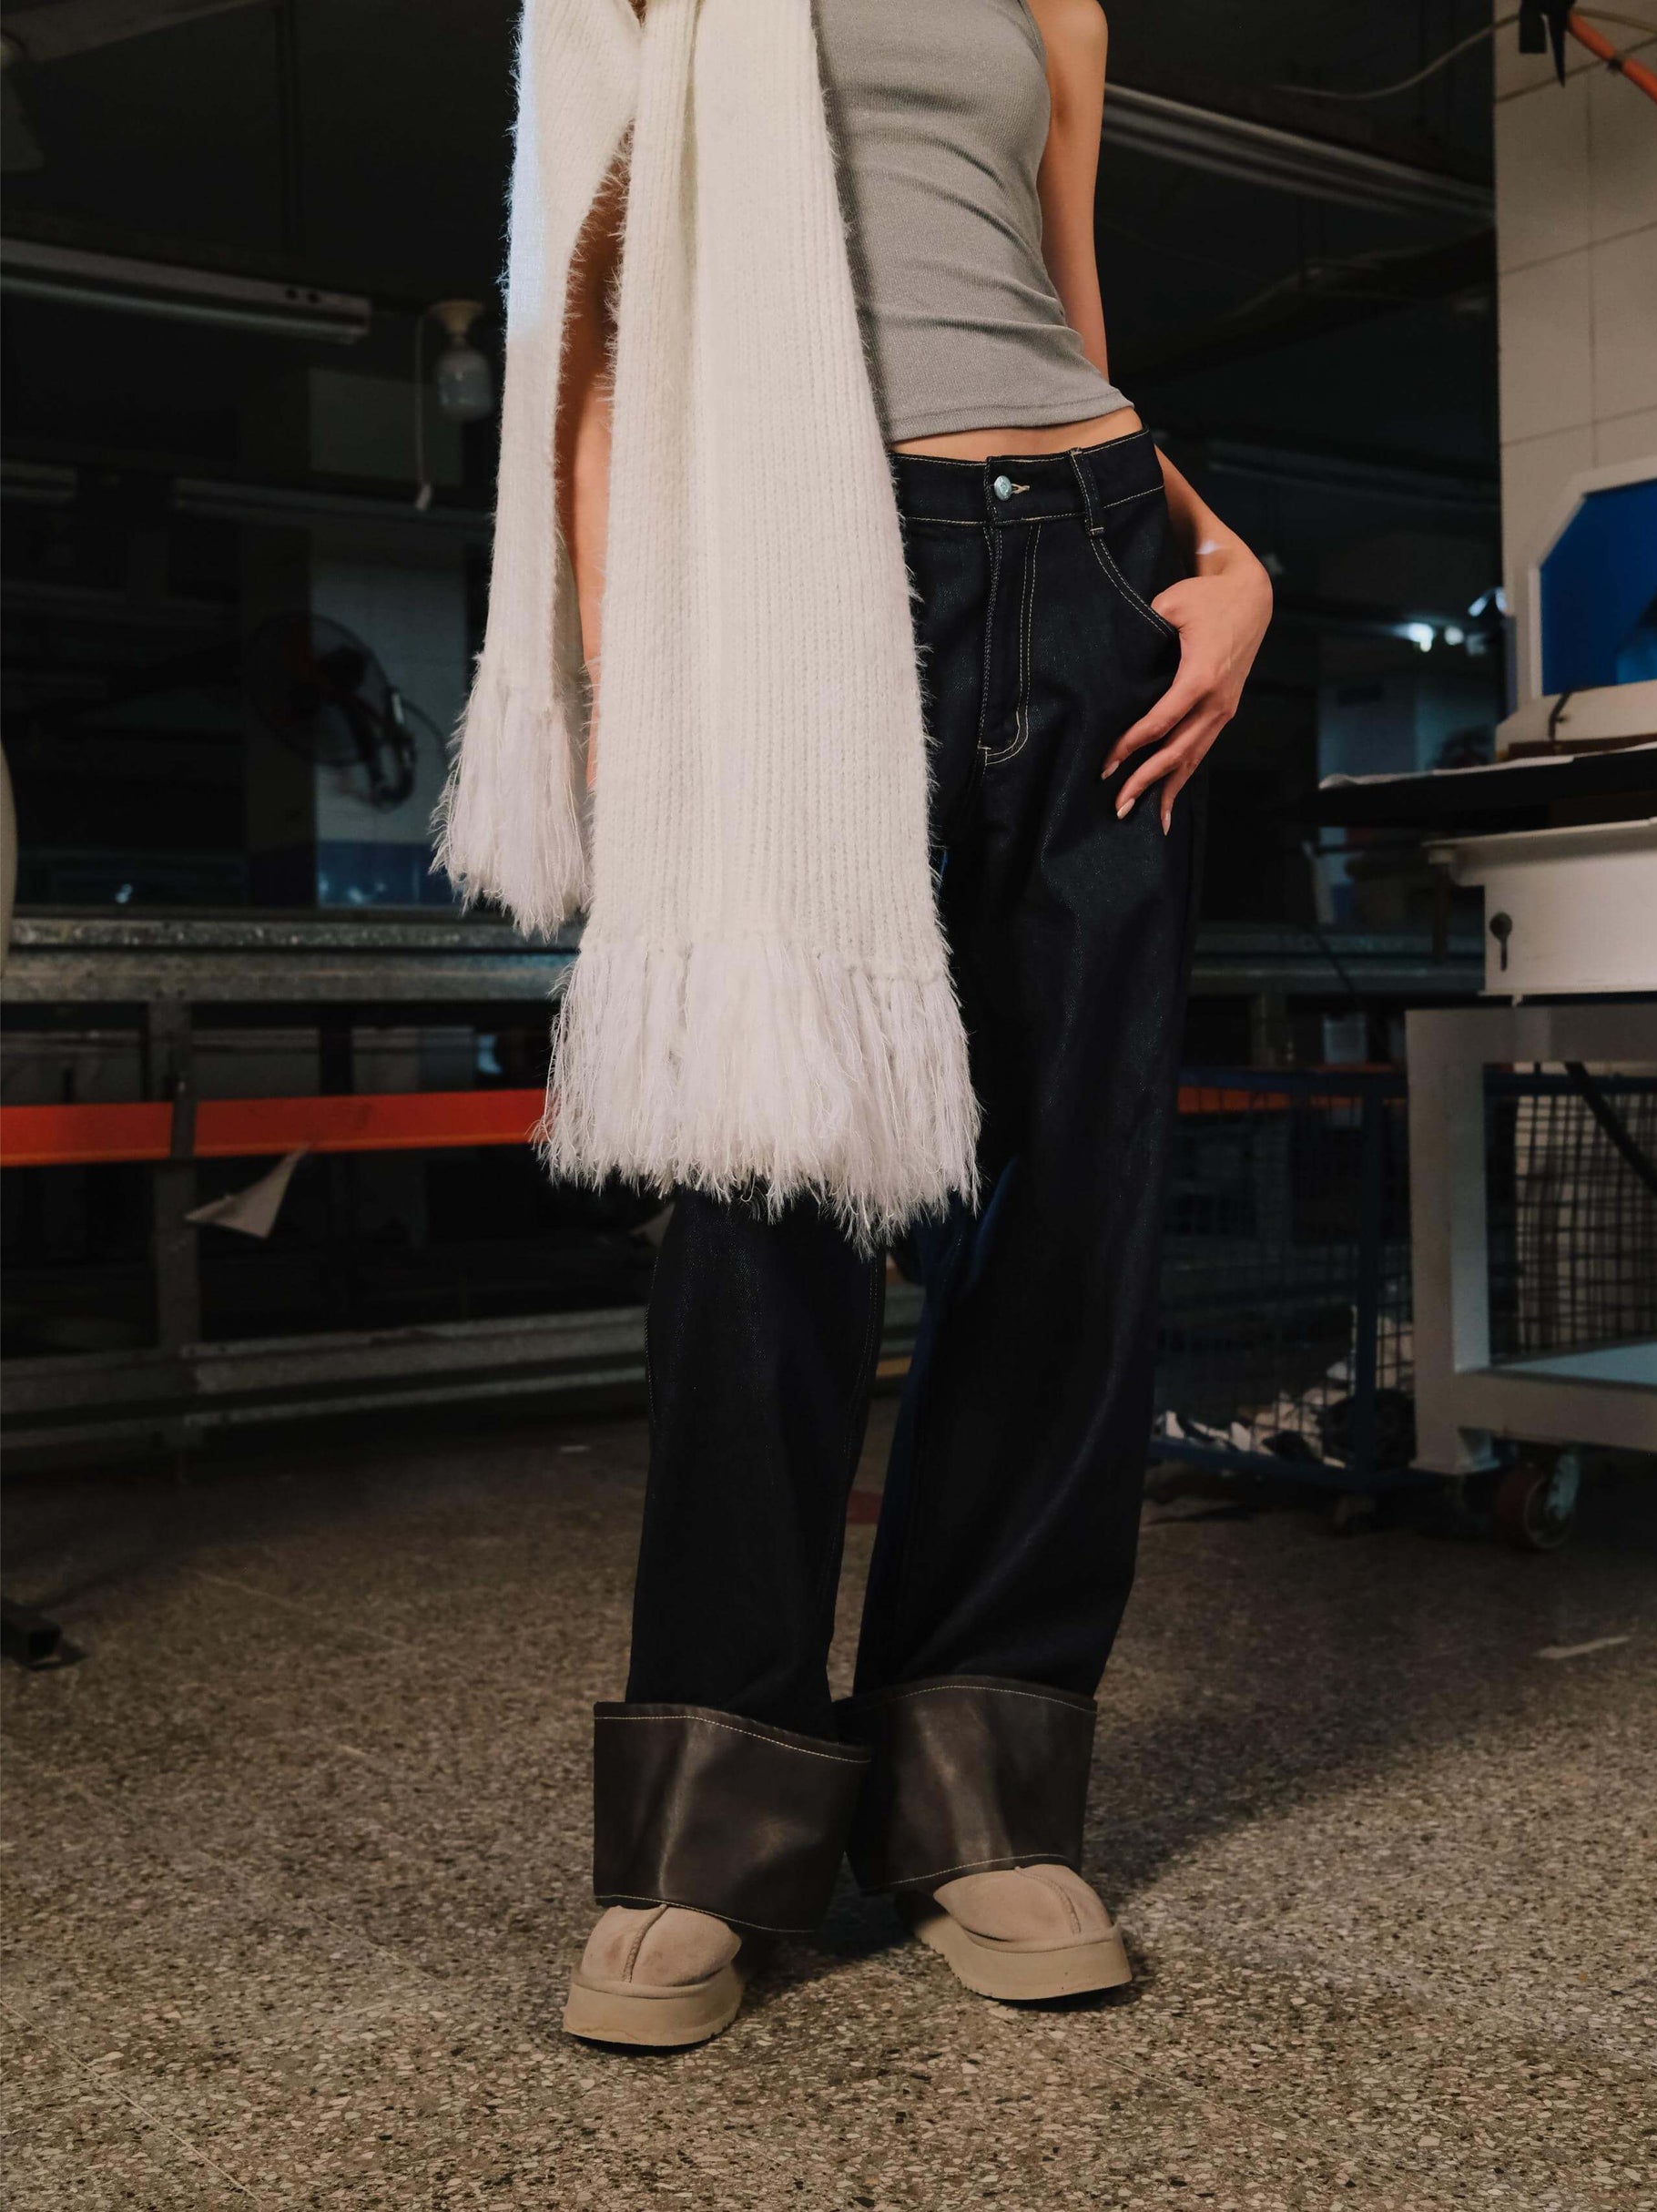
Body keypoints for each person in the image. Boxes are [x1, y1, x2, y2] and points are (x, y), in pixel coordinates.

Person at [446, 0, 1271, 2050]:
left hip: (1084, 561)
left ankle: (985, 1792)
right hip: (801, 574)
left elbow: (1058, 306)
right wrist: (636, 702)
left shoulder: (1046, 1)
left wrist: (1228, 558)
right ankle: (705, 1831)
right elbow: (590, 331)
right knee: (763, 1200)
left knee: (1067, 1209)